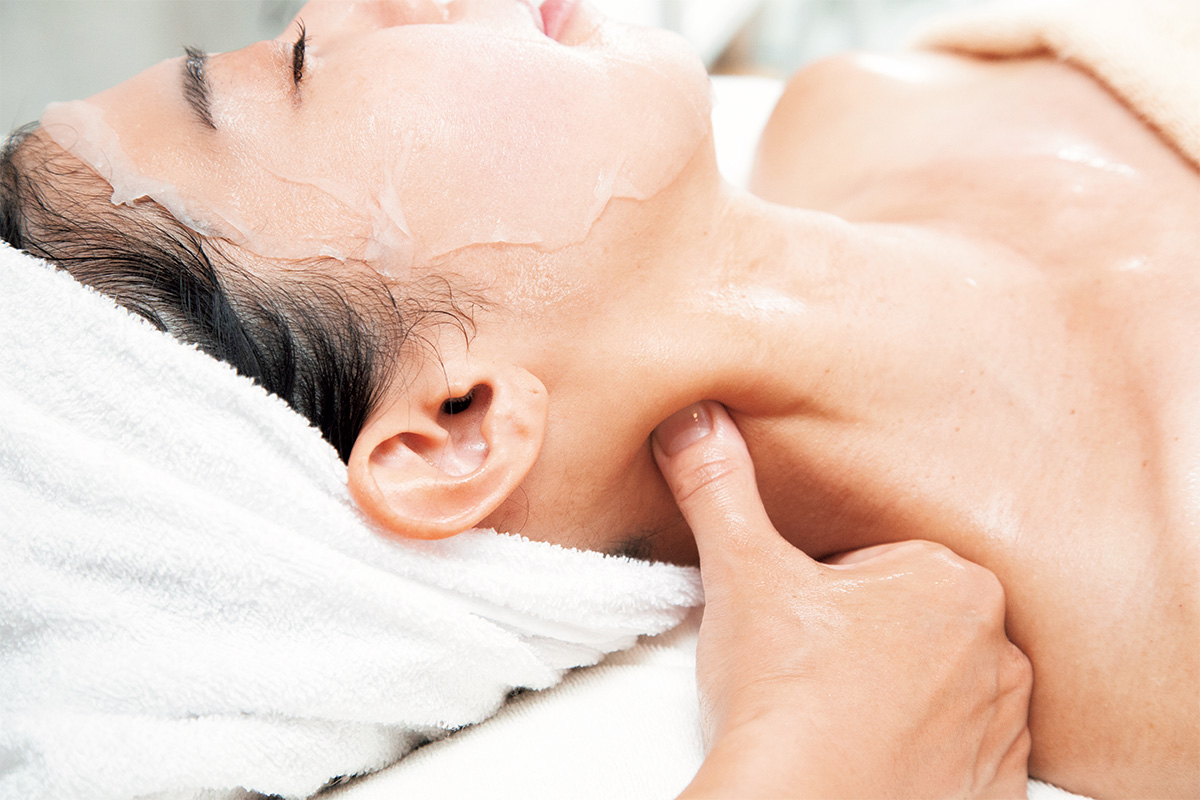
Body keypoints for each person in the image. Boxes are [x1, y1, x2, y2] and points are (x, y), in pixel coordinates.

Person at [0, 0, 1195, 796]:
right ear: (457, 429)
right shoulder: (1161, 660)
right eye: (297, 66)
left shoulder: (866, 99)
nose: (376, 2)